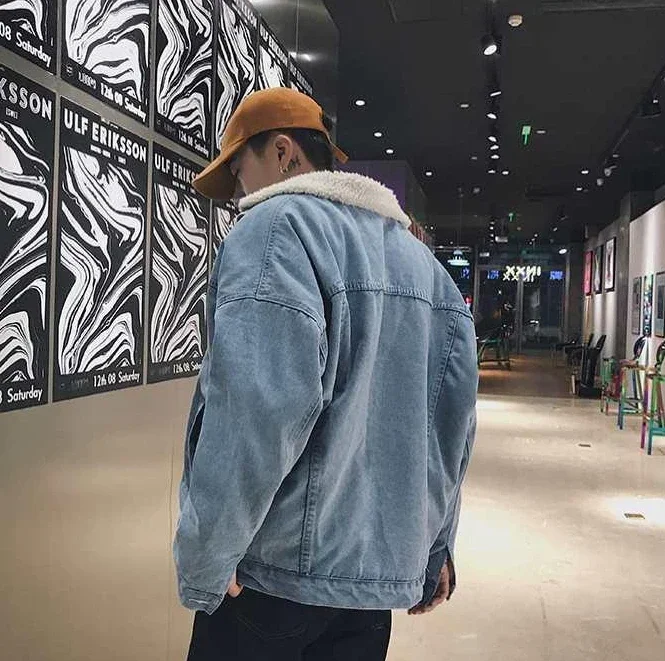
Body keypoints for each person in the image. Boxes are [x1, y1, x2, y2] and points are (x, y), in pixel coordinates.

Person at [175, 87, 478, 661]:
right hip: (367, 591)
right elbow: (451, 425)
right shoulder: (424, 266)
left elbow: (258, 411)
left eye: (238, 172)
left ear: (282, 153)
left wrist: (208, 555)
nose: (239, 194)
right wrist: (436, 545)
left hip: (272, 579)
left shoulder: (275, 228)